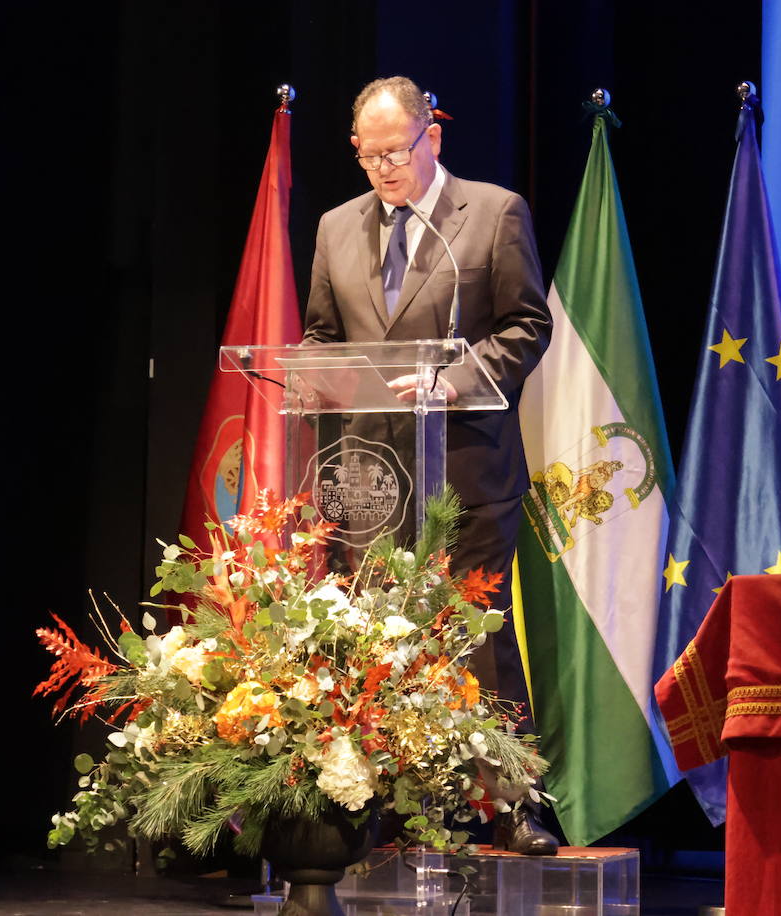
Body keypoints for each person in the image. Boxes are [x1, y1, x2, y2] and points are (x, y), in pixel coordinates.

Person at [304, 76, 557, 854]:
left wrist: (455, 381)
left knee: (473, 635)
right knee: (376, 640)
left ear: (433, 137)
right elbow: (318, 339)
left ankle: (516, 802)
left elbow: (526, 325)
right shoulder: (335, 228)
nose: (386, 169)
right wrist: (321, 374)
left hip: (467, 474)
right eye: (370, 156)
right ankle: (383, 807)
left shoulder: (491, 213)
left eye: (398, 152)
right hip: (371, 481)